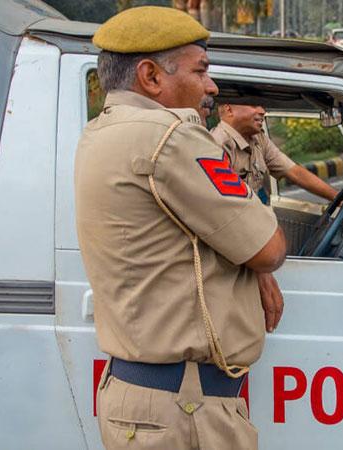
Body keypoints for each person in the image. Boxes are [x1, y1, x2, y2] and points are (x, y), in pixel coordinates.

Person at [74, 6, 287, 450]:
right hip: (186, 412)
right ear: (151, 76)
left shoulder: (100, 131)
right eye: (202, 70)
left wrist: (257, 272)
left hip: (145, 400)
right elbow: (268, 248)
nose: (211, 86)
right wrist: (261, 264)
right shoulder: (171, 137)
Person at [211, 104, 339, 204]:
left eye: (262, 106)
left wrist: (338, 198)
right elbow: (225, 205)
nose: (262, 111)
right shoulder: (218, 144)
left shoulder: (258, 139)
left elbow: (294, 172)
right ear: (229, 110)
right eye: (254, 106)